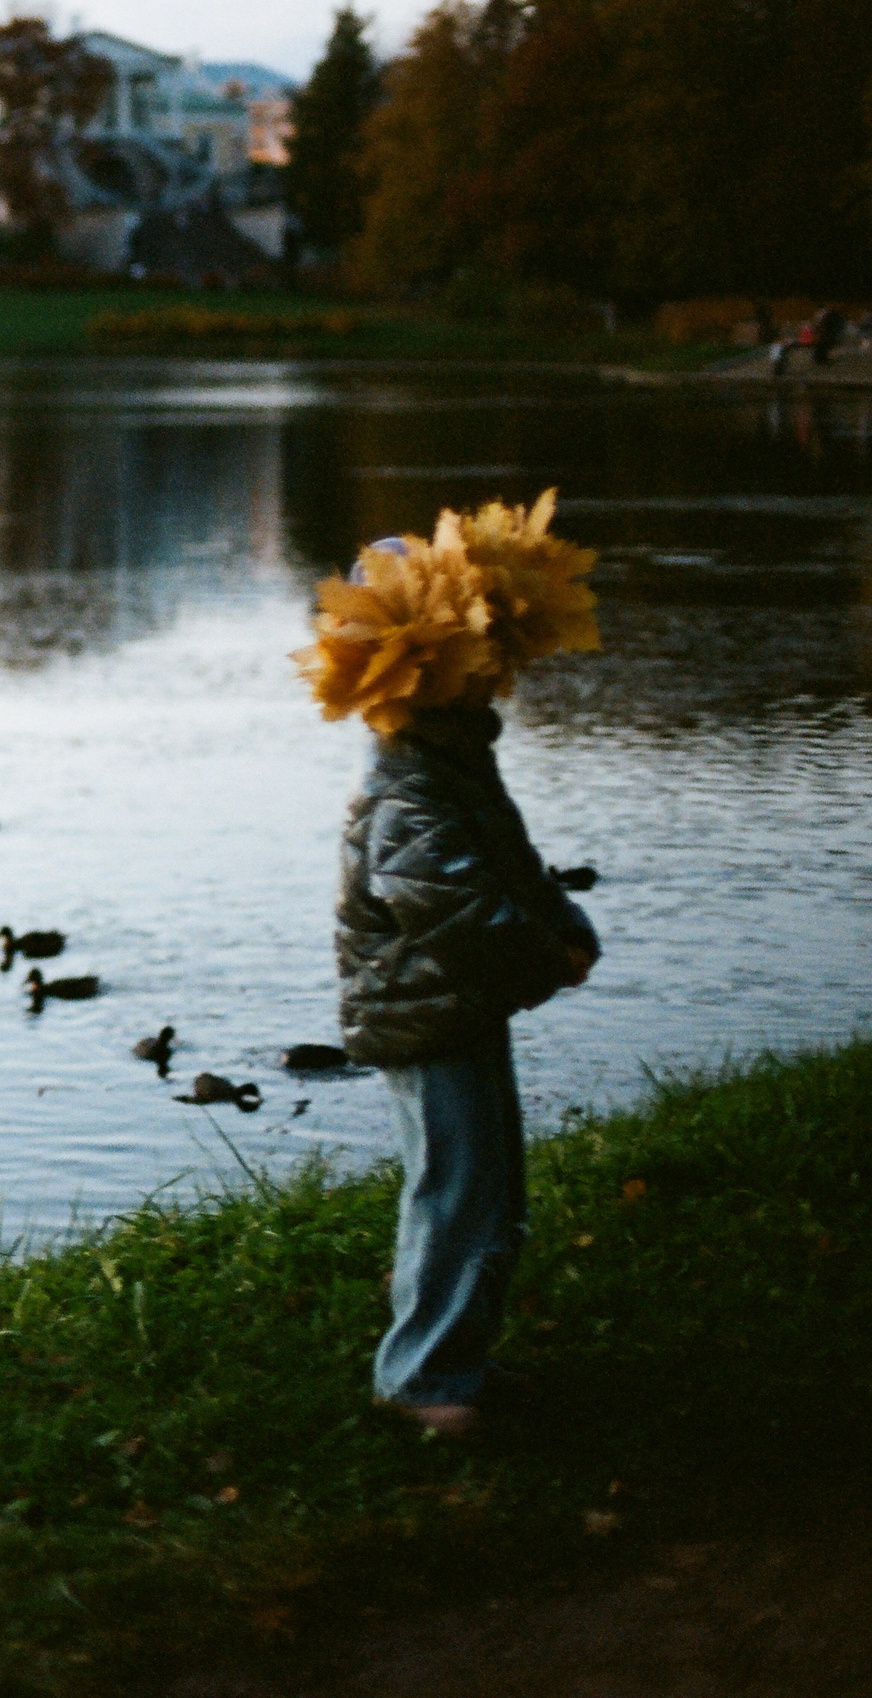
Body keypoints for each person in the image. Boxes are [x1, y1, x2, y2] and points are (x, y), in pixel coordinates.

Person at [294, 492, 603, 1439]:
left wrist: (560, 915)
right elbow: (453, 910)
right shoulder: (406, 786)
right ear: (419, 672)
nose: (490, 681)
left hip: (456, 1008)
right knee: (457, 1190)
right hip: (423, 1016)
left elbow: (504, 864)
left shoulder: (456, 763)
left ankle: (454, 1359)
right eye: (471, 667)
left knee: (489, 1188)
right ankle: (423, 1382)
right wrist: (540, 954)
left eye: (492, 665)